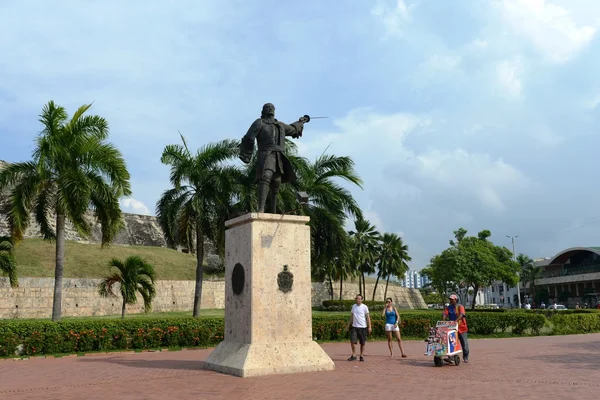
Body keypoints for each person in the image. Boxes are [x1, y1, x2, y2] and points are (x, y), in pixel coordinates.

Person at [442, 293, 470, 363]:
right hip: (452, 328)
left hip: (461, 328)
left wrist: (456, 321)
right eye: (450, 299)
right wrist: (444, 319)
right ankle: (451, 357)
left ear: (456, 300)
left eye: (452, 299)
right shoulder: (449, 307)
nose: (451, 301)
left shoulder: (460, 306)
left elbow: (462, 314)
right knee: (451, 343)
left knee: (464, 343)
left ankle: (465, 357)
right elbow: (445, 313)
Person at [347, 294, 371, 362]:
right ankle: (354, 355)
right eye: (357, 298)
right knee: (352, 341)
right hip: (354, 327)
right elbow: (351, 316)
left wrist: (369, 327)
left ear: (362, 300)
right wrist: (348, 325)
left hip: (363, 327)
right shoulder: (353, 306)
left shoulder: (364, 307)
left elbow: (368, 317)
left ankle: (361, 355)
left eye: (359, 299)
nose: (357, 300)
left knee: (362, 343)